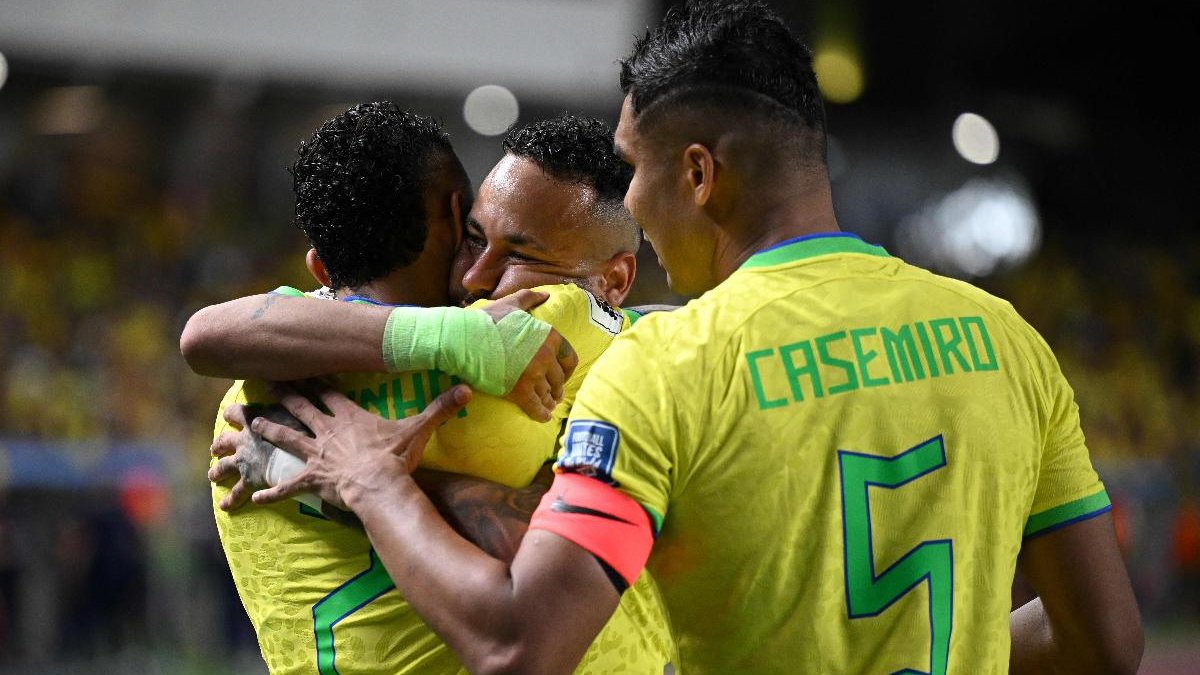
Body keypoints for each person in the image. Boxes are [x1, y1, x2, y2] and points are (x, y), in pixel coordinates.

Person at [243, 2, 1145, 674]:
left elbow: (520, 644)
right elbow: (1104, 641)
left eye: (633, 169)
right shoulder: (1007, 340)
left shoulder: (668, 363)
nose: (630, 203)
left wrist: (373, 479)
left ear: (700, 175)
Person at [181, 105, 675, 673]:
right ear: (452, 211)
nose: (475, 278)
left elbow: (202, 334)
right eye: (472, 238)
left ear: (319, 268)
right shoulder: (537, 334)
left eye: (519, 254)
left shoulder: (252, 393)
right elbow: (549, 565)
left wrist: (352, 476)